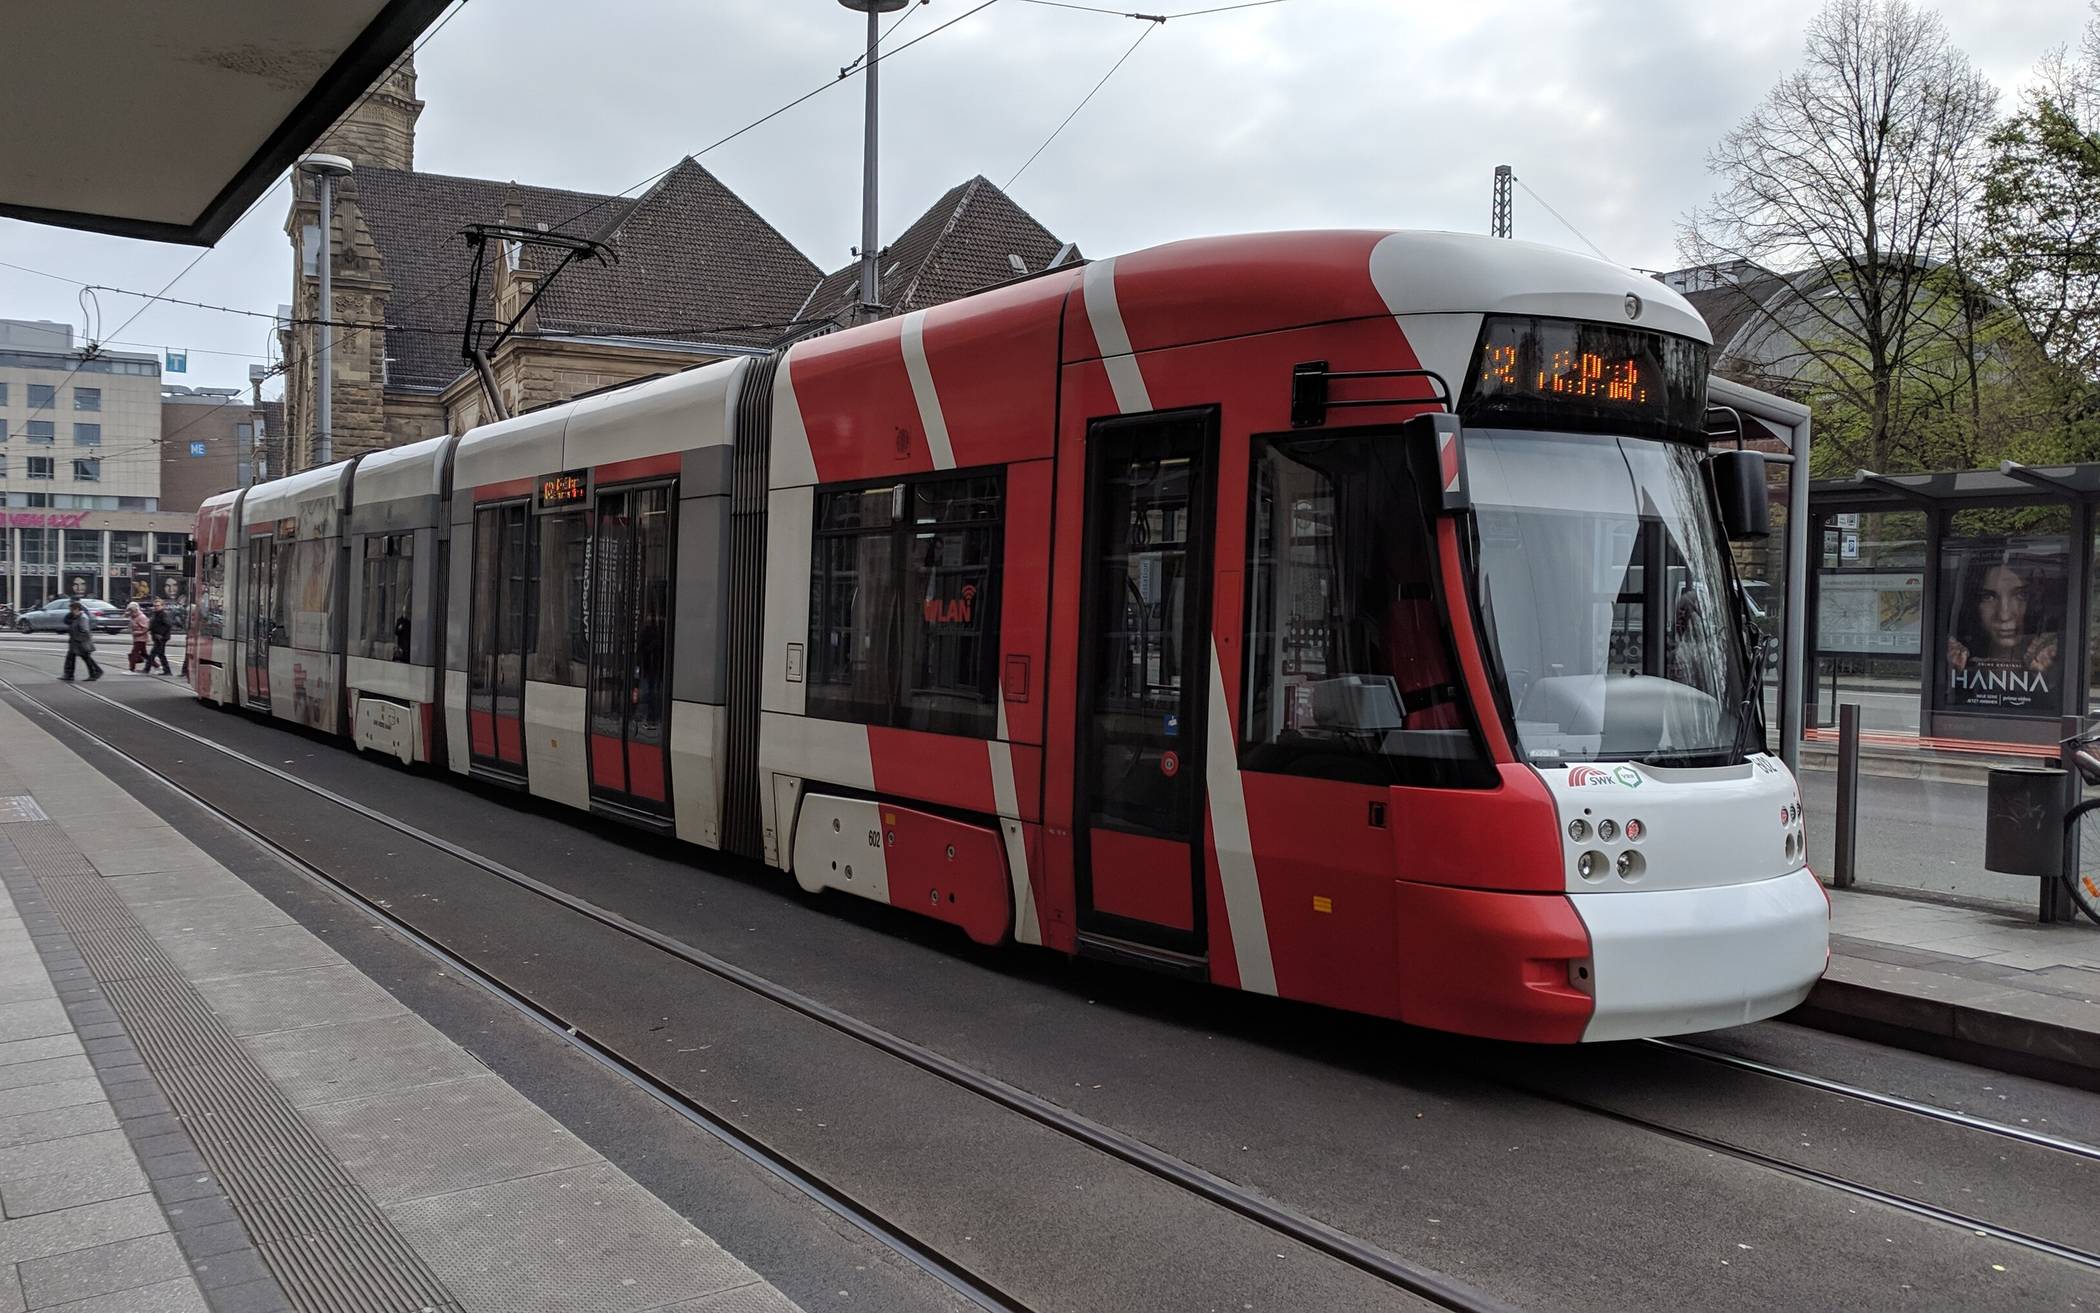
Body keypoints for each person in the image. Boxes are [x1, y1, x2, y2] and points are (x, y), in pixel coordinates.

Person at [60, 601, 102, 682]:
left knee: (86, 658)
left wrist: (79, 639)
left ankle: (96, 672)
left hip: (81, 642)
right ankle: (69, 675)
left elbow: (85, 630)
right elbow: (66, 621)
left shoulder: (82, 617)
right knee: (71, 657)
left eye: (71, 609)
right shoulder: (76, 617)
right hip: (75, 642)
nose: (70, 611)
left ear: (77, 609)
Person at [147, 600, 174, 676]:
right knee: (157, 654)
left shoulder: (163, 614)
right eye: (155, 606)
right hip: (157, 637)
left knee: (157, 654)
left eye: (158, 605)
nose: (156, 607)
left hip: (161, 638)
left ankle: (167, 671)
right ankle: (166, 670)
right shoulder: (156, 614)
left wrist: (160, 634)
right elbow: (153, 624)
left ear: (162, 606)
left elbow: (168, 625)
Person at [124, 601, 149, 673]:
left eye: (131, 610)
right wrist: (127, 612)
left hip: (141, 638)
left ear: (135, 610)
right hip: (136, 638)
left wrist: (137, 633)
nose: (130, 612)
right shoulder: (133, 616)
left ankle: (132, 668)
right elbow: (125, 616)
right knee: (144, 654)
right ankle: (156, 665)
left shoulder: (141, 617)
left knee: (134, 653)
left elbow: (146, 628)